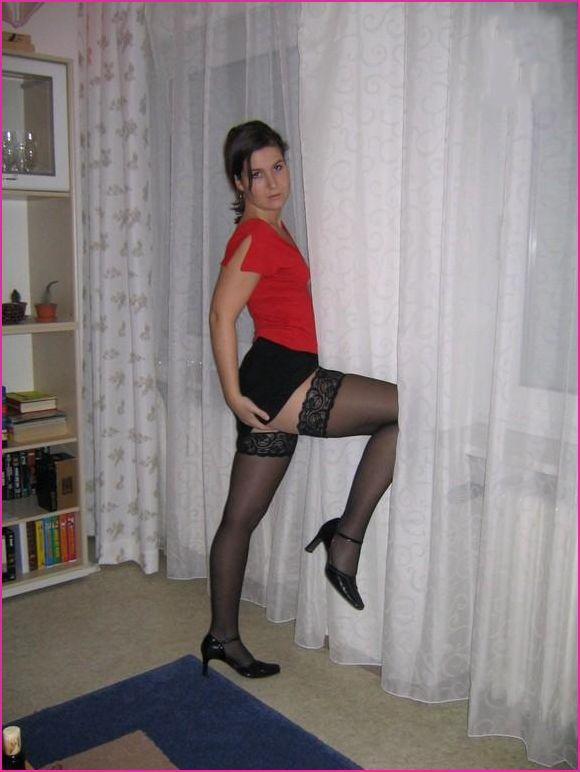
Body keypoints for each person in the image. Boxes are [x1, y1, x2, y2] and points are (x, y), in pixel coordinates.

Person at [202, 120, 398, 679]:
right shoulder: (256, 236)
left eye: (278, 168)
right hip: (281, 377)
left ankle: (221, 636)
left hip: (277, 375)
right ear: (239, 183)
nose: (272, 183)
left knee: (240, 517)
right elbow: (220, 315)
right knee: (405, 410)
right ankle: (345, 539)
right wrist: (232, 393)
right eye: (257, 175)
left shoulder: (271, 229)